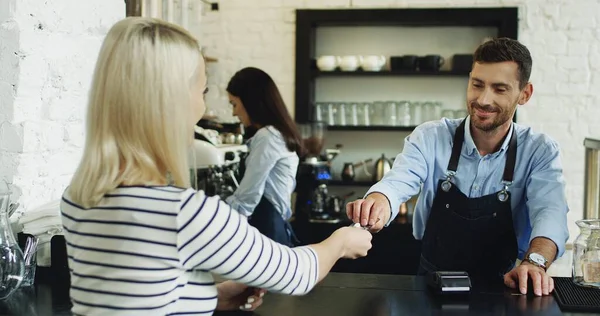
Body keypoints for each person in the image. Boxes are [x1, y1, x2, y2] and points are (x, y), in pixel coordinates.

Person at [61, 17, 372, 316]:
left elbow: (137, 293)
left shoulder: (78, 197)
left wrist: (210, 297)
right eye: (202, 91)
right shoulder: (183, 213)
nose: (204, 107)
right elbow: (297, 273)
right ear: (172, 101)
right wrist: (342, 241)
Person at [346, 37, 569, 297]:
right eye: (477, 85)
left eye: (499, 89)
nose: (483, 99)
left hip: (504, 289)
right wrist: (377, 202)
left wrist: (535, 264)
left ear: (524, 94)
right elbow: (397, 183)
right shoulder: (430, 136)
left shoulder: (539, 151)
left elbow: (550, 213)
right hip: (430, 287)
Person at [225, 67, 302, 247]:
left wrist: (216, 217)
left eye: (234, 104)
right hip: (275, 230)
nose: (234, 113)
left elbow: (247, 197)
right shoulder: (276, 135)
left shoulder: (268, 137)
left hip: (268, 233)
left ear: (250, 101)